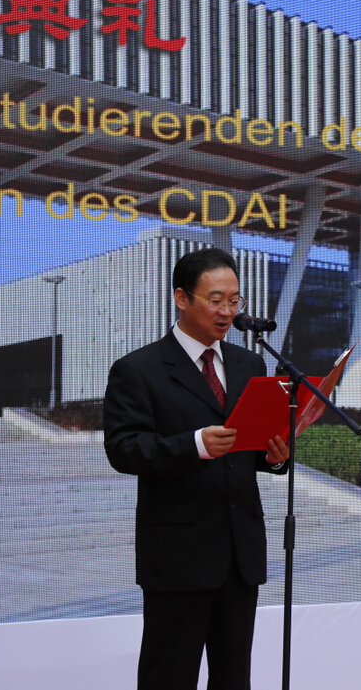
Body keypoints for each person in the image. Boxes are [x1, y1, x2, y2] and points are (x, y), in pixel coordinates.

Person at [104, 247, 289, 690]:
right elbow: (124, 449)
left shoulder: (250, 364)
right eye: (216, 299)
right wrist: (194, 445)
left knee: (233, 679)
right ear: (181, 298)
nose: (227, 312)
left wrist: (274, 457)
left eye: (235, 301)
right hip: (178, 555)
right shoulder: (139, 369)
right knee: (169, 678)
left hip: (239, 553)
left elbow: (249, 444)